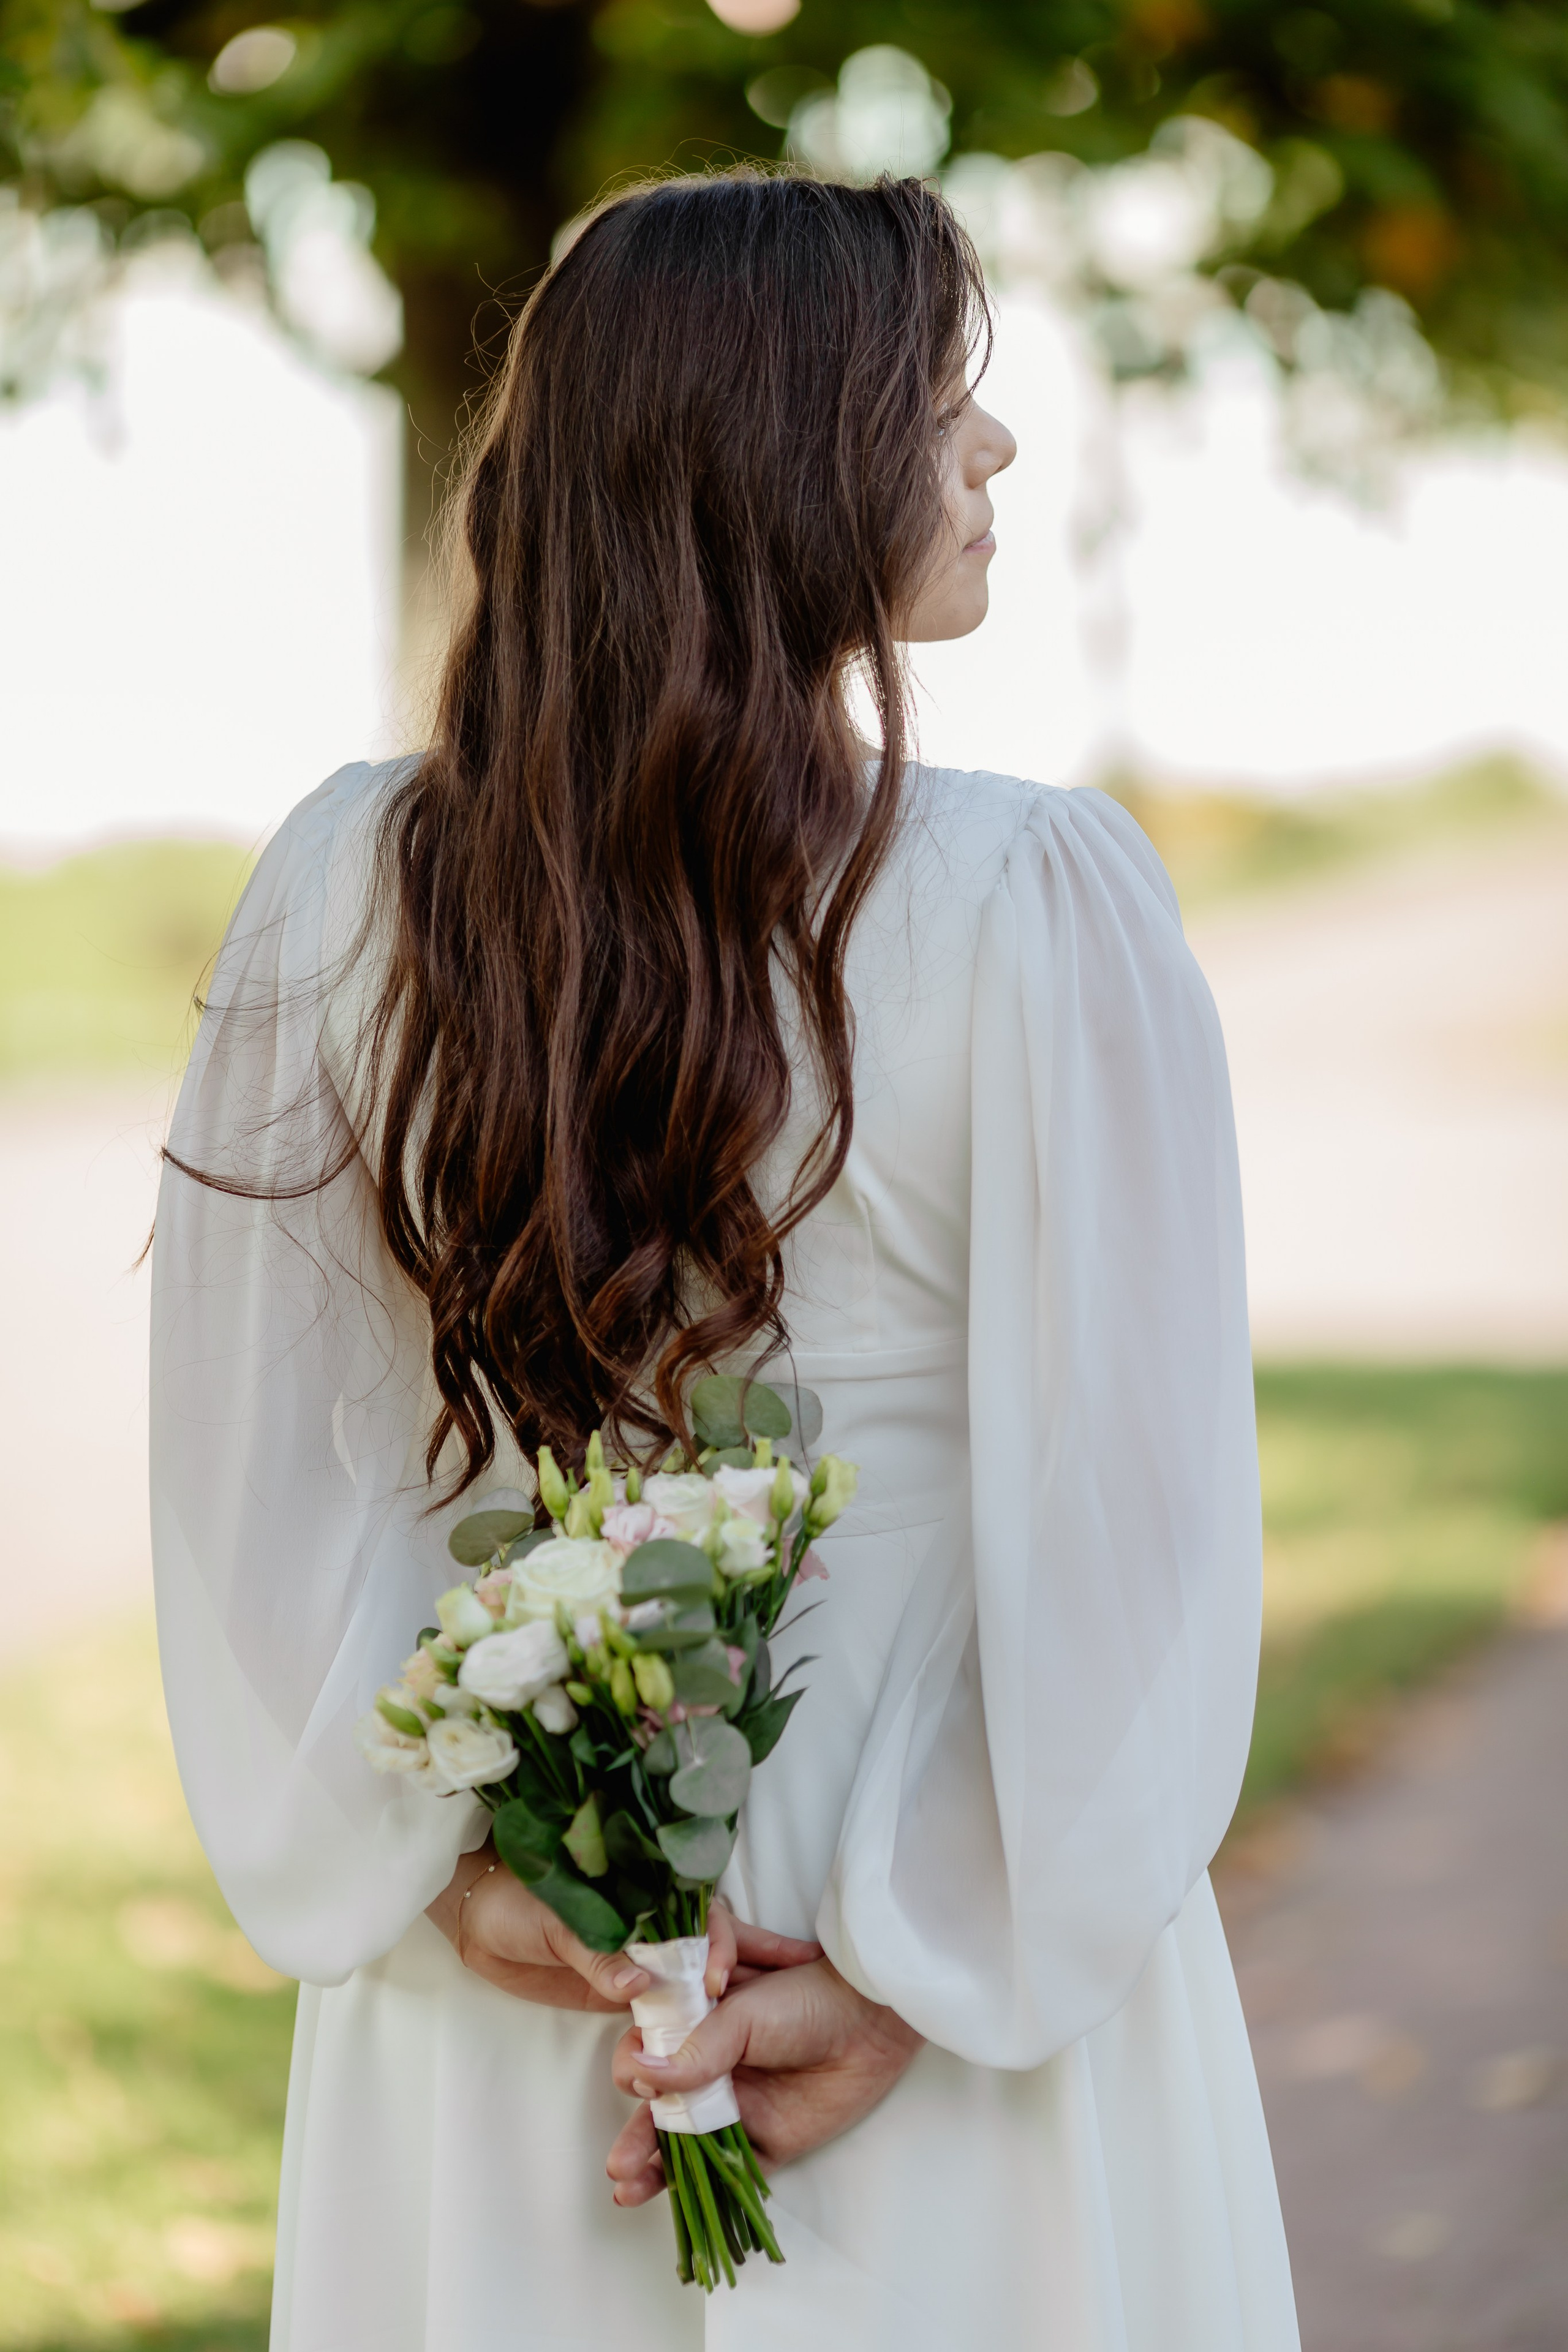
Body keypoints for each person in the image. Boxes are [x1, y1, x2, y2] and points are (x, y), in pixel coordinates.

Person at [151, 169, 1300, 2351]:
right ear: (776, 449)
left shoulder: (334, 891)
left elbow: (248, 1508)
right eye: (940, 391)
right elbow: (1138, 1538)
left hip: (536, 1948)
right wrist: (934, 1969)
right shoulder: (1035, 898)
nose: (995, 448)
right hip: (926, 1914)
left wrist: (450, 1878)